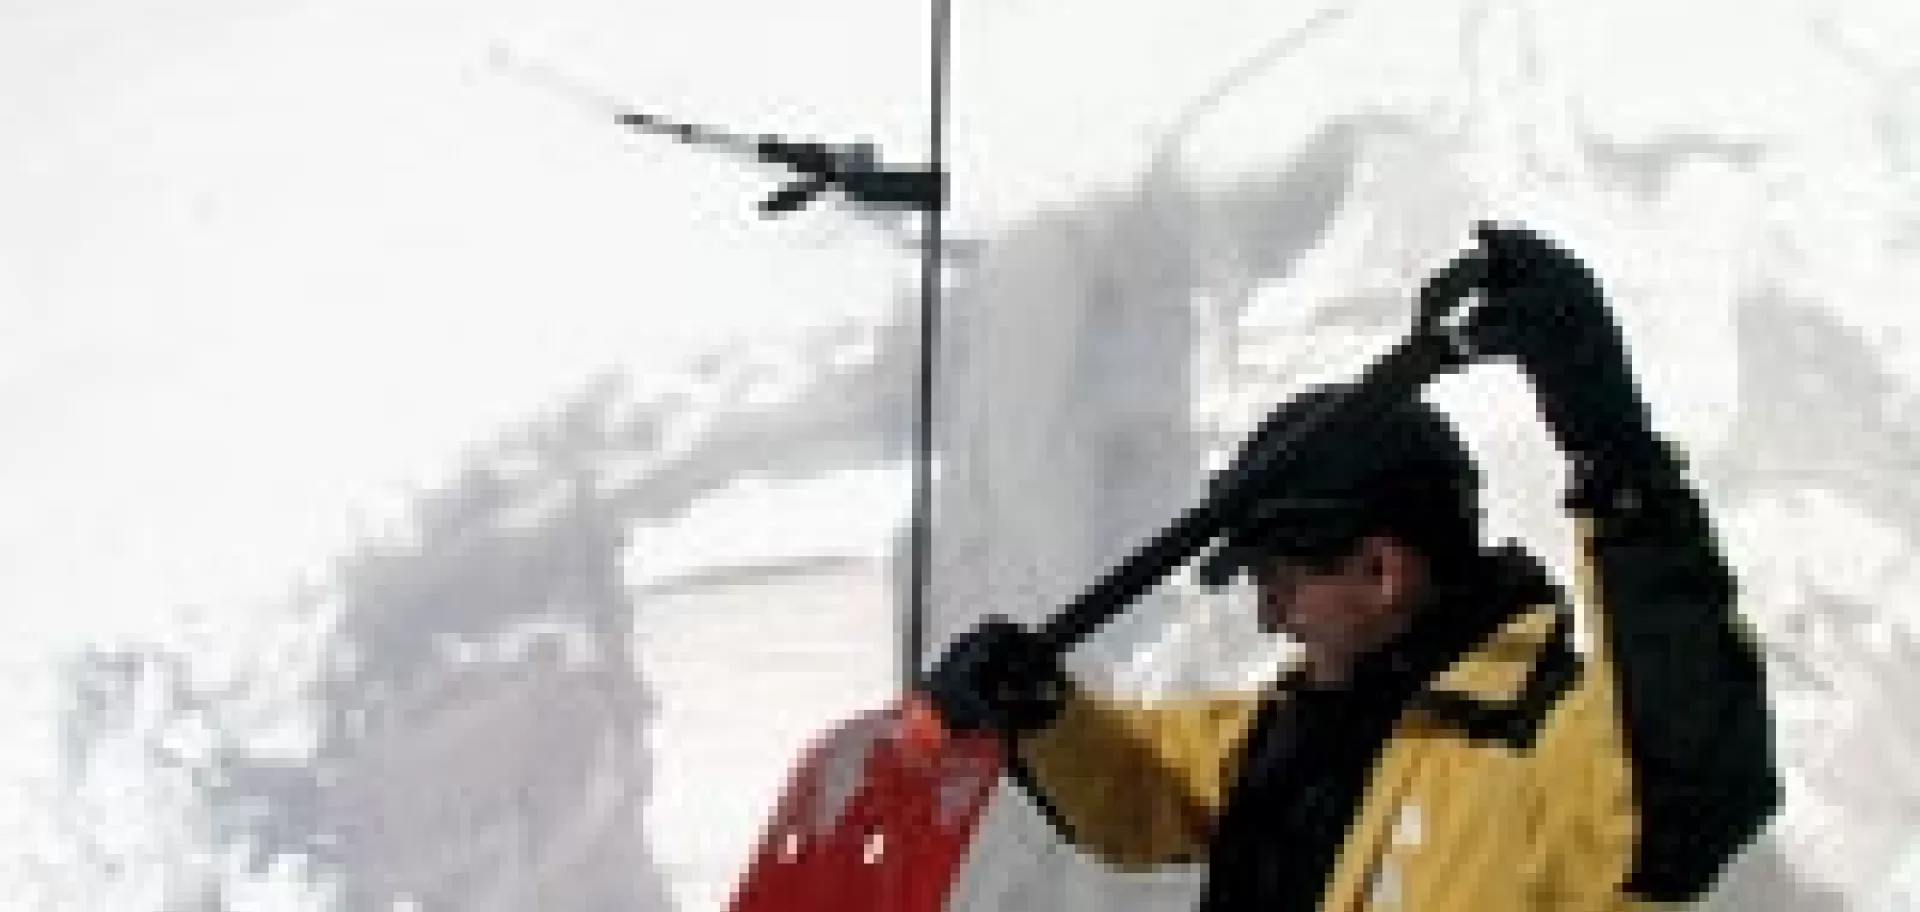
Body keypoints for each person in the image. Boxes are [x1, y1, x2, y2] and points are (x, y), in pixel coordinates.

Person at [922, 225, 1780, 911]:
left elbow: (1688, 781)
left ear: (1379, 571)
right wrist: (1043, 712)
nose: (1270, 619)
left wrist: (1616, 454)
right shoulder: (1298, 725)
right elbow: (1149, 785)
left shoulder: (1527, 755)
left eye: (1280, 583)